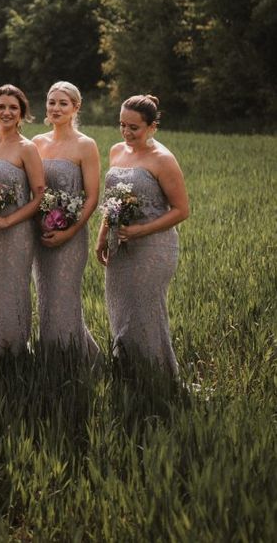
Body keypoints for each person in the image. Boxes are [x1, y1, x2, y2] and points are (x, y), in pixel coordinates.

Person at [96, 94, 189, 375]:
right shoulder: (116, 151)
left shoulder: (163, 159)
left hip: (153, 248)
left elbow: (181, 210)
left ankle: (156, 376)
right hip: (120, 247)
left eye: (133, 127)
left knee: (145, 312)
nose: (126, 132)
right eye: (122, 124)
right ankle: (128, 371)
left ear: (152, 127)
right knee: (121, 308)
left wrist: (140, 230)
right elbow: (111, 199)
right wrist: (103, 235)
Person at [0, 84, 44, 359]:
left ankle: (13, 354)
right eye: (1, 106)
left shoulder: (27, 148)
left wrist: (7, 221)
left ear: (22, 113)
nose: (6, 112)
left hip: (15, 234)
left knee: (11, 291)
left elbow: (39, 197)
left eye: (13, 107)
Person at [33, 81, 101, 362]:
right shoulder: (37, 142)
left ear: (75, 107)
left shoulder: (85, 145)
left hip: (70, 238)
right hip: (41, 234)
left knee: (64, 297)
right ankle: (53, 357)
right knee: (46, 298)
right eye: (52, 102)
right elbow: (33, 191)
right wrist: (39, 223)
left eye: (63, 103)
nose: (56, 108)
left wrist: (70, 231)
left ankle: (73, 361)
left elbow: (92, 197)